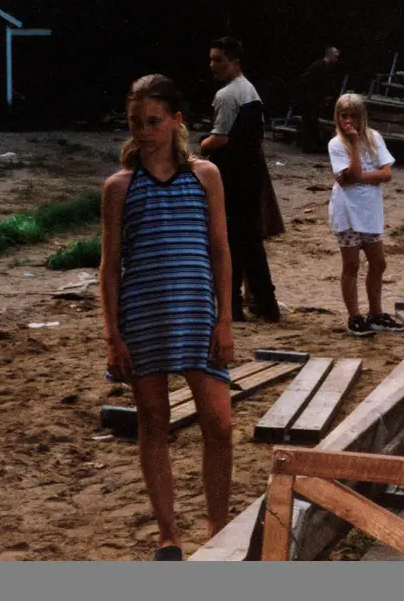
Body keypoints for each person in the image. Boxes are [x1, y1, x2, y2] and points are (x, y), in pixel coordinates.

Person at [100, 74, 234, 561]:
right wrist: (113, 336)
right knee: (153, 423)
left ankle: (217, 525)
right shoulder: (120, 186)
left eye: (154, 121)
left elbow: (220, 250)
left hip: (198, 315)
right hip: (143, 318)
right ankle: (168, 535)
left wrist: (225, 320)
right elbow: (110, 267)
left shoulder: (205, 175)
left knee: (219, 424)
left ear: (177, 120)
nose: (144, 131)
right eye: (136, 122)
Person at [200, 36, 280, 322]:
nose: (213, 65)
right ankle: (265, 303)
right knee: (250, 242)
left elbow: (219, 139)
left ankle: (233, 306)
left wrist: (201, 145)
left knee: (231, 241)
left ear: (234, 62)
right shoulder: (250, 90)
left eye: (218, 60)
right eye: (211, 59)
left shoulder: (226, 95)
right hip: (252, 174)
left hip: (231, 177)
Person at [328, 93, 404, 338]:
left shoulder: (374, 137)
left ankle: (376, 313)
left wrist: (360, 177)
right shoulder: (337, 144)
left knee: (378, 262)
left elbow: (386, 173)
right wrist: (354, 145)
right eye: (344, 116)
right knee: (351, 264)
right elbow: (350, 175)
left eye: (353, 116)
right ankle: (355, 317)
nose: (348, 121)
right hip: (347, 211)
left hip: (370, 209)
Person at [295, 46, 342, 152]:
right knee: (309, 122)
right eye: (335, 57)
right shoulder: (318, 65)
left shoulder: (328, 67)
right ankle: (307, 147)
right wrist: (310, 94)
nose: (336, 60)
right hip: (310, 99)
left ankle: (311, 146)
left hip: (316, 100)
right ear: (330, 55)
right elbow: (305, 80)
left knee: (312, 122)